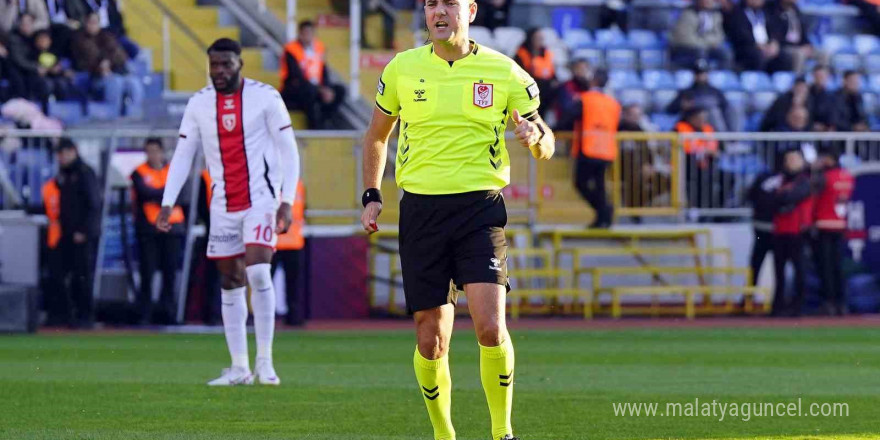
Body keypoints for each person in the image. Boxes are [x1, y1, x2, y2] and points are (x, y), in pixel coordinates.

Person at [361, 0, 555, 438]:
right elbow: (376, 135)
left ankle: (502, 432)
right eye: (431, 3)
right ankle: (444, 434)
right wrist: (372, 193)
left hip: (480, 209)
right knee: (431, 338)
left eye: (449, 2)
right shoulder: (402, 68)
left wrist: (535, 139)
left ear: (470, 9)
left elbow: (547, 140)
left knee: (490, 327)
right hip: (421, 210)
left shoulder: (504, 71)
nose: (438, 11)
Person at [158, 38, 301, 386]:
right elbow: (183, 155)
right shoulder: (199, 103)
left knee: (258, 273)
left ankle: (265, 362)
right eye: (214, 65)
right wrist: (167, 202)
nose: (219, 71)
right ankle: (240, 367)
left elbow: (288, 150)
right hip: (222, 204)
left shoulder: (265, 97)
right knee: (230, 280)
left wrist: (287, 200)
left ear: (239, 64)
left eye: (226, 64)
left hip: (262, 199)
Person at [130, 138, 186, 325]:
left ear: (162, 152)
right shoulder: (139, 172)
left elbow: (181, 195)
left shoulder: (173, 170)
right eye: (149, 151)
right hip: (149, 229)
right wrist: (167, 195)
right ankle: (145, 314)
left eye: (155, 151)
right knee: (148, 273)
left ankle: (167, 313)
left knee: (170, 273)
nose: (153, 155)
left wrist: (160, 195)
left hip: (173, 227)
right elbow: (144, 193)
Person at [560, 68, 620, 228]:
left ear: (593, 80)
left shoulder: (584, 99)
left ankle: (604, 212)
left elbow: (568, 117)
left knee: (580, 183)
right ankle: (603, 217)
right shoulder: (612, 103)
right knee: (599, 186)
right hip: (607, 150)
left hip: (588, 149)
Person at [54, 138, 101, 328]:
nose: (61, 158)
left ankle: (86, 316)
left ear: (73, 151)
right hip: (68, 234)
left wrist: (84, 230)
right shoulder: (65, 173)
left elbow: (94, 204)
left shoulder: (84, 173)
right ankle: (73, 315)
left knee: (84, 275)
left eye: (63, 153)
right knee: (72, 276)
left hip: (83, 235)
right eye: (59, 154)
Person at [72, 12, 143, 117]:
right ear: (85, 24)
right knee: (115, 82)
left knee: (133, 83)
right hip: (93, 77)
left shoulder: (107, 37)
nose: (92, 26)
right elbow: (86, 60)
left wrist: (108, 62)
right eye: (90, 23)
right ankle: (112, 117)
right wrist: (101, 66)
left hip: (114, 72)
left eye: (95, 23)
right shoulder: (79, 39)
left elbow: (120, 56)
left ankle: (134, 116)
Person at [770, 148, 814, 317]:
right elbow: (769, 200)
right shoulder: (779, 180)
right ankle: (778, 306)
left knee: (800, 271)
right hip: (780, 230)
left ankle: (798, 307)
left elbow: (790, 197)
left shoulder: (805, 181)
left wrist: (782, 199)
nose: (791, 163)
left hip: (798, 231)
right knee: (778, 272)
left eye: (795, 159)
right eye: (789, 159)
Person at [279, 20, 347, 129]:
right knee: (309, 92)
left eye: (310, 33)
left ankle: (328, 120)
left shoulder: (319, 48)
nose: (308, 36)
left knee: (340, 90)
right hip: (295, 89)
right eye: (305, 33)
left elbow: (323, 71)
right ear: (300, 34)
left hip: (317, 88)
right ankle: (315, 127)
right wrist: (320, 89)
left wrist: (326, 88)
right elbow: (295, 77)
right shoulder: (291, 50)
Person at [812, 147, 854, 315]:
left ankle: (828, 302)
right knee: (837, 266)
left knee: (825, 267)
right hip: (840, 224)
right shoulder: (847, 176)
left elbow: (815, 196)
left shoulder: (824, 177)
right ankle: (841, 302)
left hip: (823, 224)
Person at [666, 60, 736, 132]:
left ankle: (726, 139)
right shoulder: (686, 92)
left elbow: (726, 109)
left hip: (711, 128)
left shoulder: (715, 92)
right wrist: (681, 105)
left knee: (716, 112)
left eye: (703, 73)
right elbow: (670, 110)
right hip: (690, 128)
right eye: (698, 73)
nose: (700, 76)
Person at [272, 181, 306, 326]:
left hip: (293, 242)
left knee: (293, 284)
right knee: (263, 281)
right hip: (273, 242)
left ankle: (294, 317)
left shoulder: (299, 185)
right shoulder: (269, 182)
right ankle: (261, 317)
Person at [726, 0, 793, 72]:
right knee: (757, 56)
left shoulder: (766, 13)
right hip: (749, 47)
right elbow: (740, 34)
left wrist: (773, 43)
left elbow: (774, 30)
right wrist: (758, 46)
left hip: (767, 46)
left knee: (784, 57)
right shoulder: (738, 13)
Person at [675, 106, 718, 209]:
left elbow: (715, 149)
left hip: (707, 164)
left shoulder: (708, 128)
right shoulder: (680, 127)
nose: (702, 121)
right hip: (686, 164)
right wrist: (702, 150)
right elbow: (685, 149)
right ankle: (695, 209)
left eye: (704, 118)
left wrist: (710, 152)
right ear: (691, 118)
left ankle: (714, 210)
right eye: (699, 118)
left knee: (728, 178)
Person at [670, 0, 732, 69]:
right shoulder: (688, 14)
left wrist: (707, 43)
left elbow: (719, 35)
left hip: (708, 46)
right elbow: (685, 37)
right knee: (701, 52)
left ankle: (719, 76)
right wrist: (703, 43)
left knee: (726, 54)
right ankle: (701, 77)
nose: (708, 1)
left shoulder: (716, 14)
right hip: (688, 48)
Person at [767, 0, 821, 73]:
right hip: (784, 46)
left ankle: (820, 82)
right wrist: (800, 48)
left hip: (799, 46)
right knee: (799, 54)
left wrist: (808, 45)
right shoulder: (773, 10)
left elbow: (802, 32)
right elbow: (775, 36)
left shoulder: (796, 10)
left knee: (824, 54)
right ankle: (798, 81)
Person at [514, 28, 557, 117]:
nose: (539, 41)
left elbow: (552, 74)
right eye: (537, 38)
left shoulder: (546, 53)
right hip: (528, 88)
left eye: (541, 38)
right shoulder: (521, 54)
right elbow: (519, 74)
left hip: (546, 88)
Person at [808, 65, 836, 131]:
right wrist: (812, 125)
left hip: (826, 130)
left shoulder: (832, 96)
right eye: (817, 76)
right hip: (809, 129)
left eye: (822, 76)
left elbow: (834, 114)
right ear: (813, 76)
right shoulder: (807, 94)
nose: (820, 78)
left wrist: (829, 126)